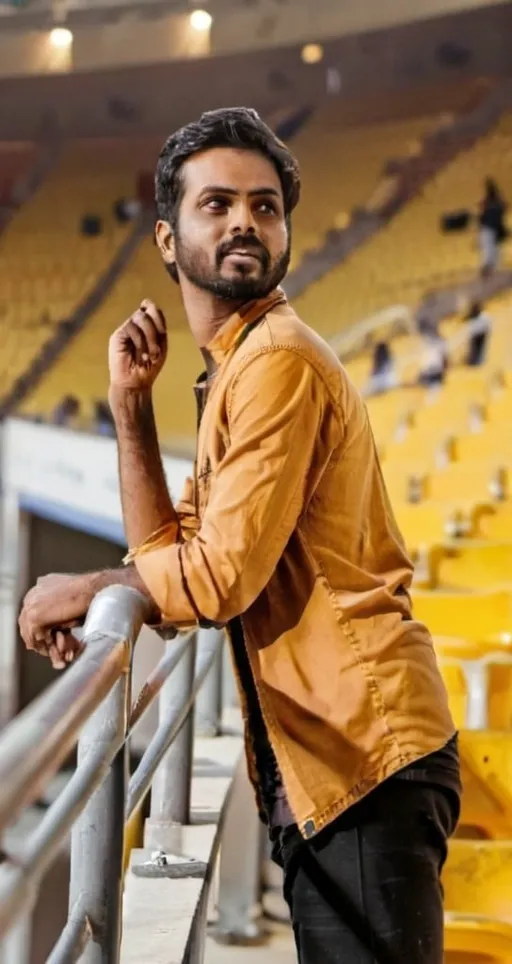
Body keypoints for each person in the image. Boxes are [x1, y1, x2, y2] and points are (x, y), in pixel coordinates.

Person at [19, 107, 460, 964]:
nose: (244, 223)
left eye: (264, 206)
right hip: (336, 764)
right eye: (216, 204)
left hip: (366, 762)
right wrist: (130, 412)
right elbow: (176, 560)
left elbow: (214, 581)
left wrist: (83, 589)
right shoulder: (241, 366)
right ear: (166, 236)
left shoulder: (277, 363)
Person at [478, 178, 508, 277]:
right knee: (493, 256)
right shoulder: (497, 203)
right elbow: (504, 207)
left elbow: (481, 218)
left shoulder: (486, 203)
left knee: (490, 256)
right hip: (493, 231)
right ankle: (489, 275)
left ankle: (488, 276)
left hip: (489, 231)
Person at [417, 320, 447, 387]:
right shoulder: (421, 341)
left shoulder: (439, 341)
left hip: (435, 372)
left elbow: (444, 359)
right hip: (428, 372)